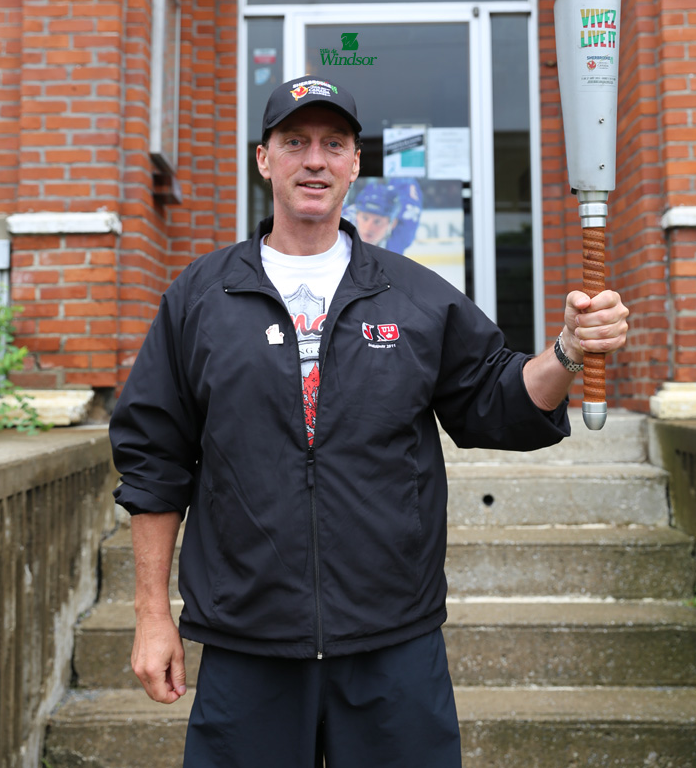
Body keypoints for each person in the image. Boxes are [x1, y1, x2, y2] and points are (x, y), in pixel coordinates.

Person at [109, 75, 629, 768]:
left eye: (334, 144)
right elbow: (154, 461)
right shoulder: (200, 298)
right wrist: (151, 615)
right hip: (248, 640)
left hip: (393, 643)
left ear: (356, 163)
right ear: (264, 159)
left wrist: (566, 350)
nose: (314, 160)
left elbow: (497, 398)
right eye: (294, 142)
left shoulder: (413, 296)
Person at [343, 177, 423, 253]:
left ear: (393, 223)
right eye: (365, 218)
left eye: (377, 222)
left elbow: (406, 179)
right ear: (356, 216)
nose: (368, 227)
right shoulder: (342, 225)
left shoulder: (401, 236)